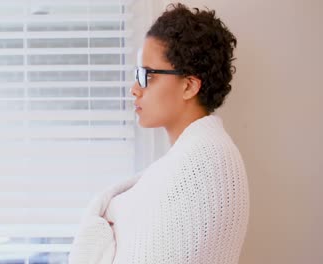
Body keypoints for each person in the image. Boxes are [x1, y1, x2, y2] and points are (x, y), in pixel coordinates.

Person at [69, 3, 249, 264]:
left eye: (146, 75)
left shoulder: (206, 164)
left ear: (189, 86)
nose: (134, 89)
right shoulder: (192, 159)